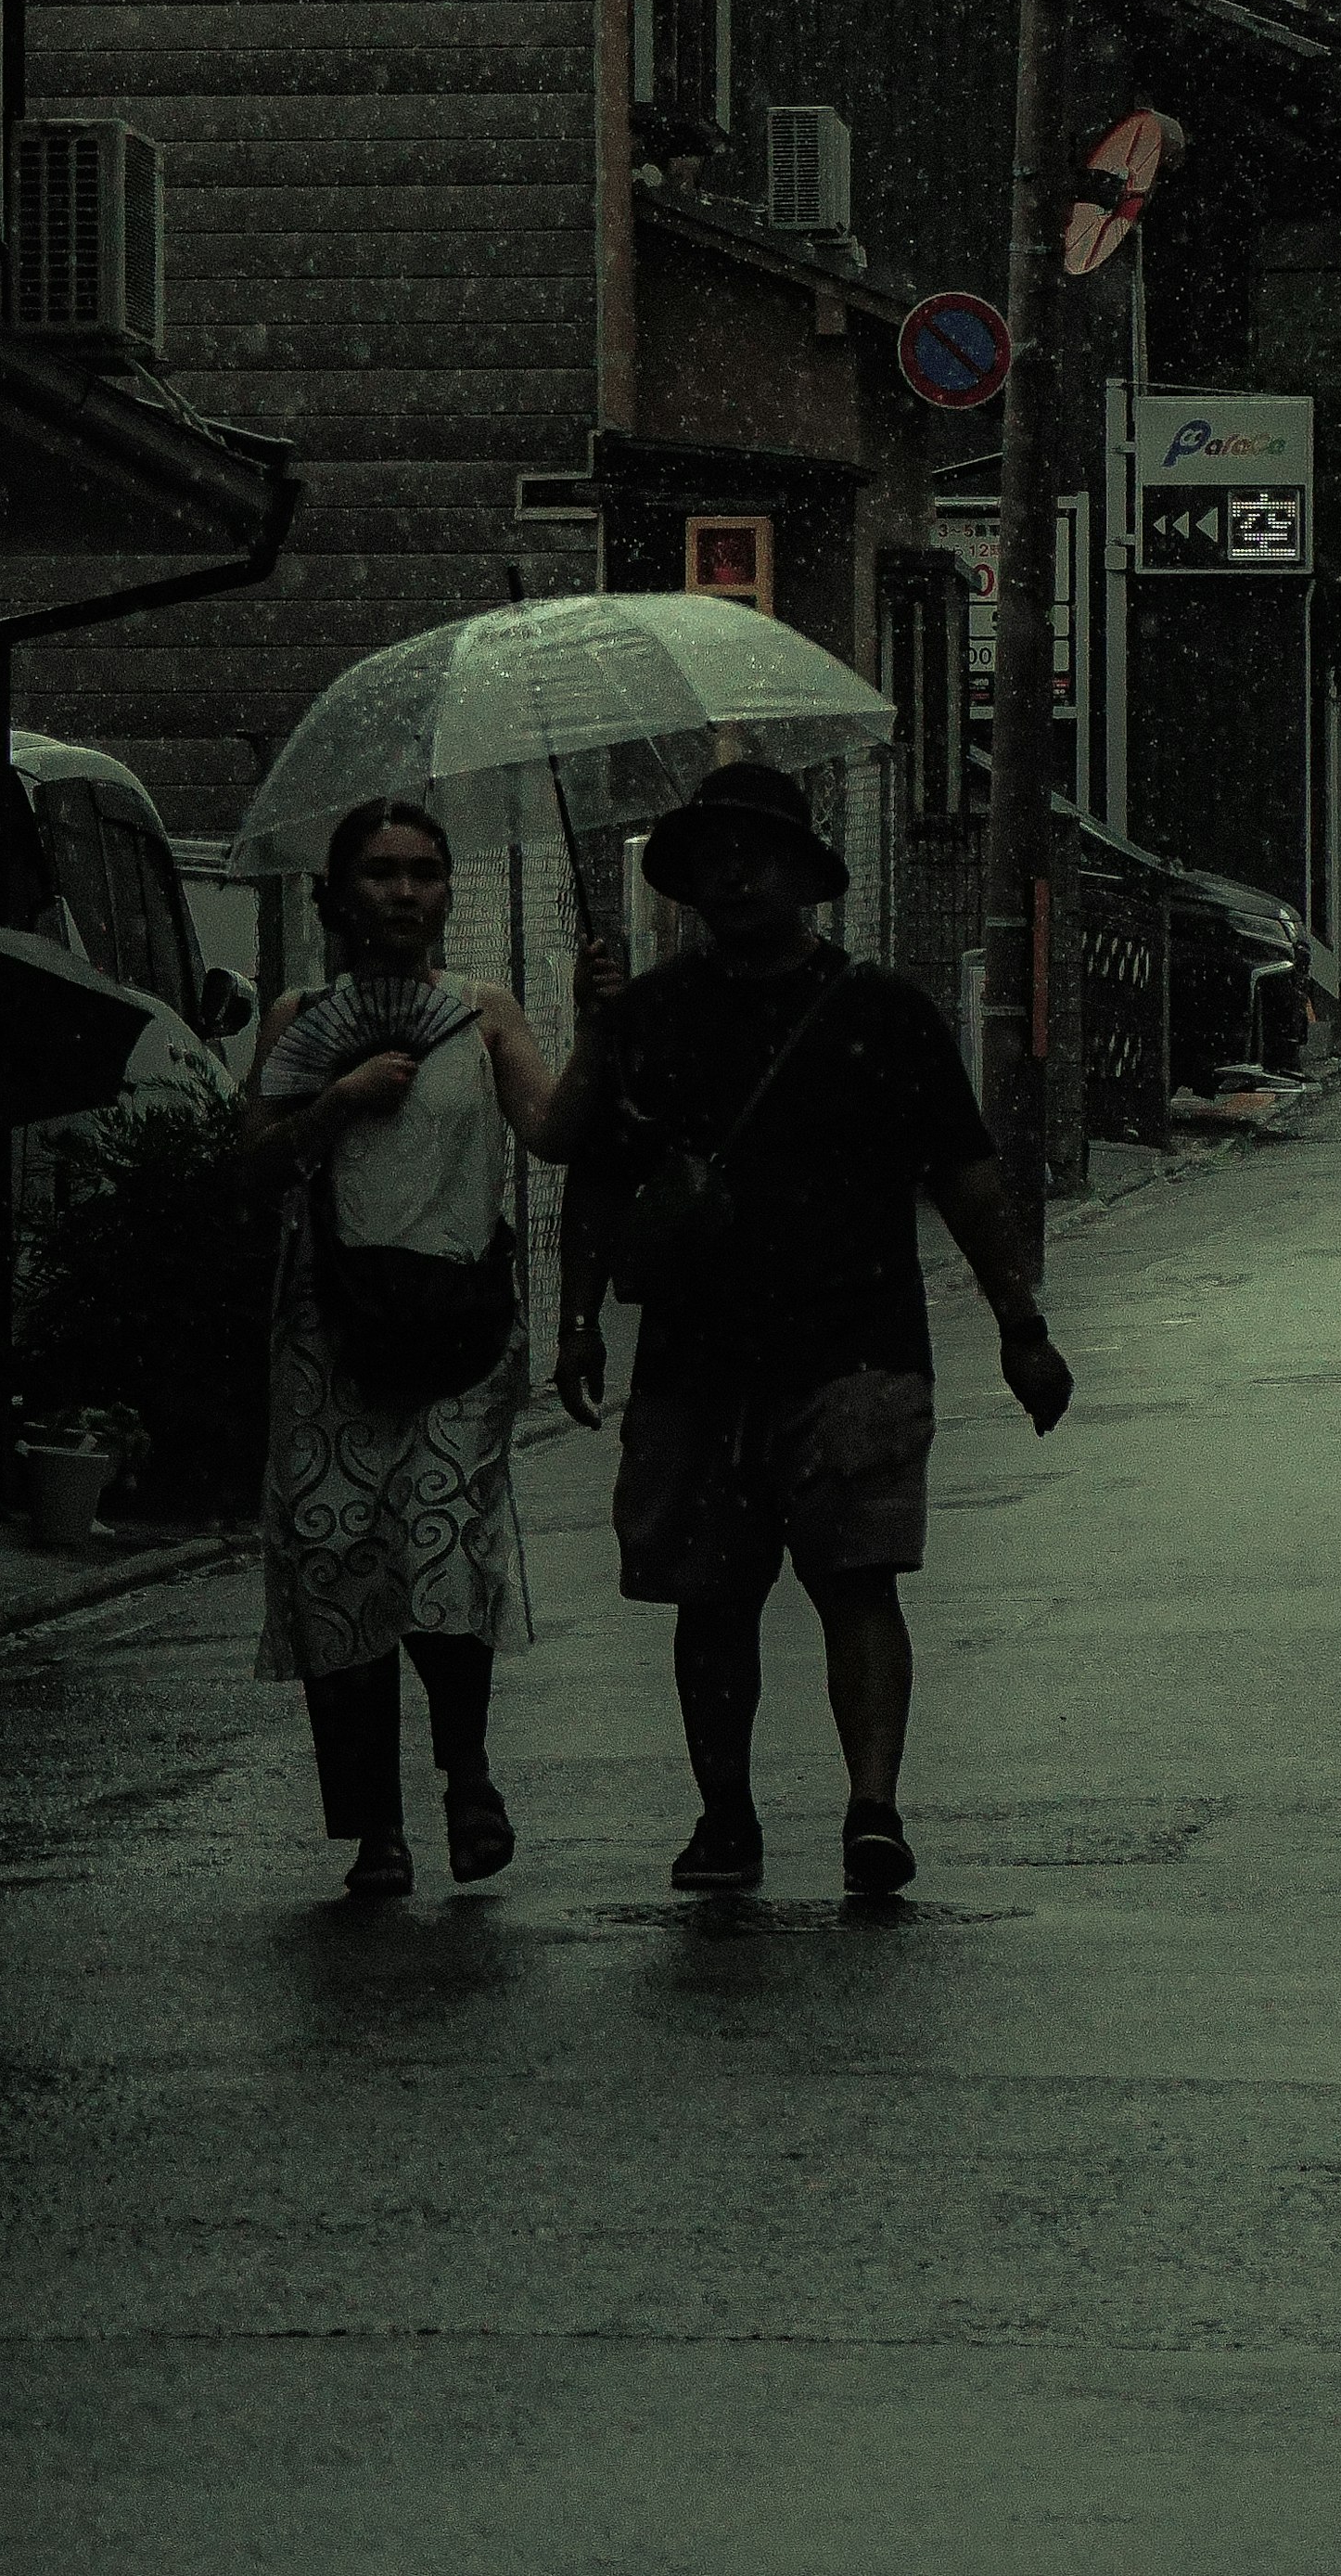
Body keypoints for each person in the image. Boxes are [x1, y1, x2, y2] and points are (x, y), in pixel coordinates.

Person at [544, 759, 1070, 1902]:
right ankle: (724, 1814)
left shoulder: (883, 1010)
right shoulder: (647, 1018)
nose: (732, 876)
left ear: (799, 871)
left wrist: (1020, 1323)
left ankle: (872, 1808)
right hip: (695, 1359)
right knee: (708, 1598)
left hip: (856, 1350)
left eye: (755, 851)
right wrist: (578, 1319)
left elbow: (967, 1177)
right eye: (710, 857)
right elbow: (587, 1172)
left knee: (859, 1580)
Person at [242, 798, 565, 1903]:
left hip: (461, 1324)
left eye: (425, 870)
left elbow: (556, 1127)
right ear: (336, 894)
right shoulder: (300, 1014)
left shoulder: (481, 1015)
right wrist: (333, 1103)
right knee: (339, 1562)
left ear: (448, 891)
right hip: (331, 1332)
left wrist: (609, 1028)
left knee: (444, 1546)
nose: (403, 890)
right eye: (379, 871)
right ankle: (373, 1825)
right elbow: (250, 1165)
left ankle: (467, 1774)